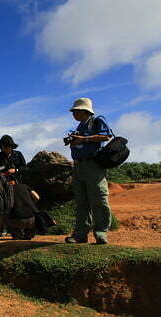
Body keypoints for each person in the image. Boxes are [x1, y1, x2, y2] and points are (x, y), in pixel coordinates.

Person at [65, 98, 113, 245]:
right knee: (81, 202)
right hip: (79, 166)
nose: (73, 114)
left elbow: (106, 136)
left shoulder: (97, 121)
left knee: (98, 198)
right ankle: (80, 234)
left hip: (93, 164)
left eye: (75, 111)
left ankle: (101, 233)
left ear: (84, 111)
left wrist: (84, 139)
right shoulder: (79, 127)